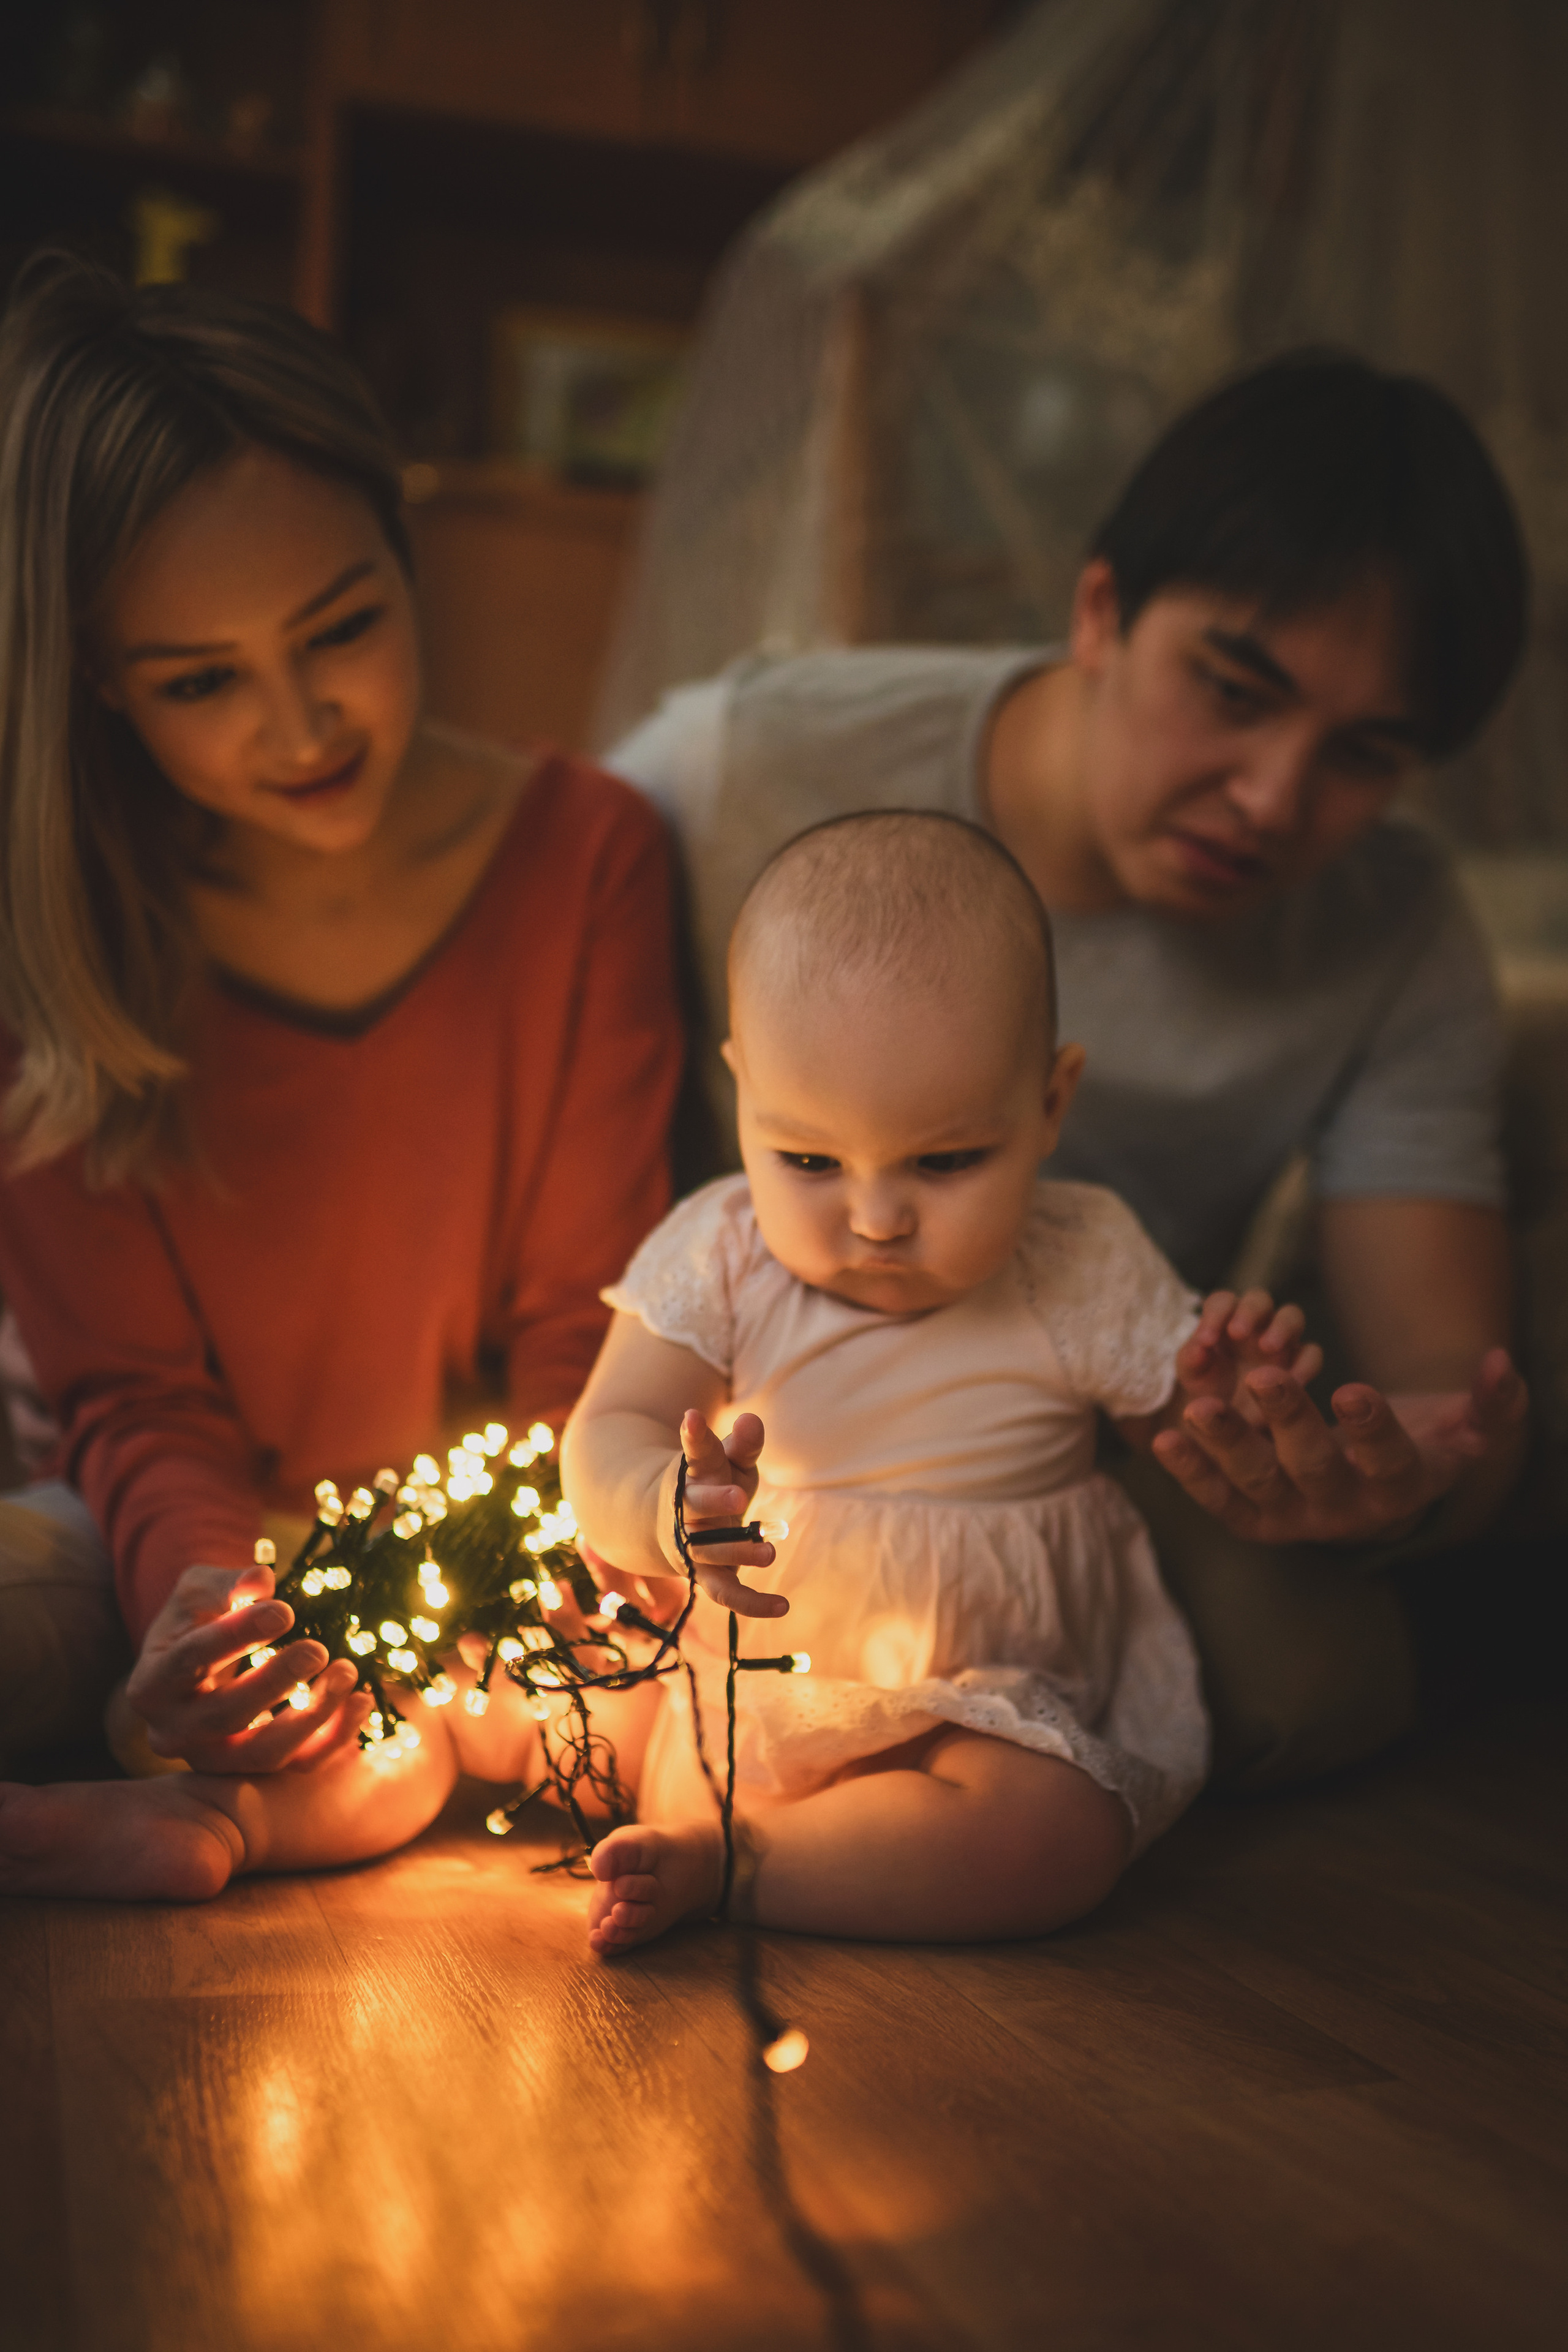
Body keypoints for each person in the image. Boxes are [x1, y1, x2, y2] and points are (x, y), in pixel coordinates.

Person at [606, 352, 1532, 1793]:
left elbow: (1442, 1395)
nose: (1273, 796)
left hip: (1073, 1442)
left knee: (1307, 1685)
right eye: (1231, 690)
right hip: (740, 1412)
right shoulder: (753, 758)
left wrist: (1390, 1487)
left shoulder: (1392, 930)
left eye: (1361, 755)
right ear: (1099, 610)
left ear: (1055, 1094)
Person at [0, 254, 681, 1830]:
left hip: (481, 1545)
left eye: (341, 629)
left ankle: (151, 1802)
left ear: (405, 548)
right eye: (201, 682)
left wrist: (577, 1567)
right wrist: (199, 1607)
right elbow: (138, 1403)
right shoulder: (60, 941)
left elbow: (586, 1329)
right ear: (103, 687)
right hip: (159, 1537)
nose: (302, 728)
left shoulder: (587, 855)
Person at [569, 812, 1508, 1950]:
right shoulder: (720, 1248)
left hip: (988, 1705)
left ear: (1051, 1104)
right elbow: (606, 1428)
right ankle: (704, 1815)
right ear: (744, 1093)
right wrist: (667, 1511)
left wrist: (1253, 1401)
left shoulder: (1080, 1260)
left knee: (1051, 1835)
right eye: (808, 1158)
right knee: (559, 1677)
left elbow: (1202, 1441)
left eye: (946, 1158)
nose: (875, 1216)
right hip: (742, 1685)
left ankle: (742, 1860)